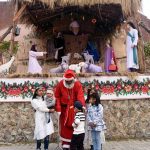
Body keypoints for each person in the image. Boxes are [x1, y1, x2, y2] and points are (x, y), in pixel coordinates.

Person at [55, 69, 85, 150]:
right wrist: (58, 108)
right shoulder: (61, 83)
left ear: (73, 79)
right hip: (64, 110)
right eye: (67, 81)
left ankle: (74, 143)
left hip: (74, 110)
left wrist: (81, 107)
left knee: (74, 126)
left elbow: (80, 96)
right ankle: (65, 143)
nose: (68, 82)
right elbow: (57, 96)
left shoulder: (77, 84)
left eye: (70, 81)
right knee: (64, 127)